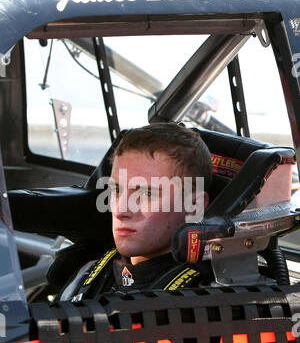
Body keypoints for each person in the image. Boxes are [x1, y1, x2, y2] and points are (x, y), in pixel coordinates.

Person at [58, 122, 213, 301]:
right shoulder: (87, 275)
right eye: (117, 190)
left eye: (147, 193)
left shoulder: (206, 299)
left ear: (194, 205)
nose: (120, 210)